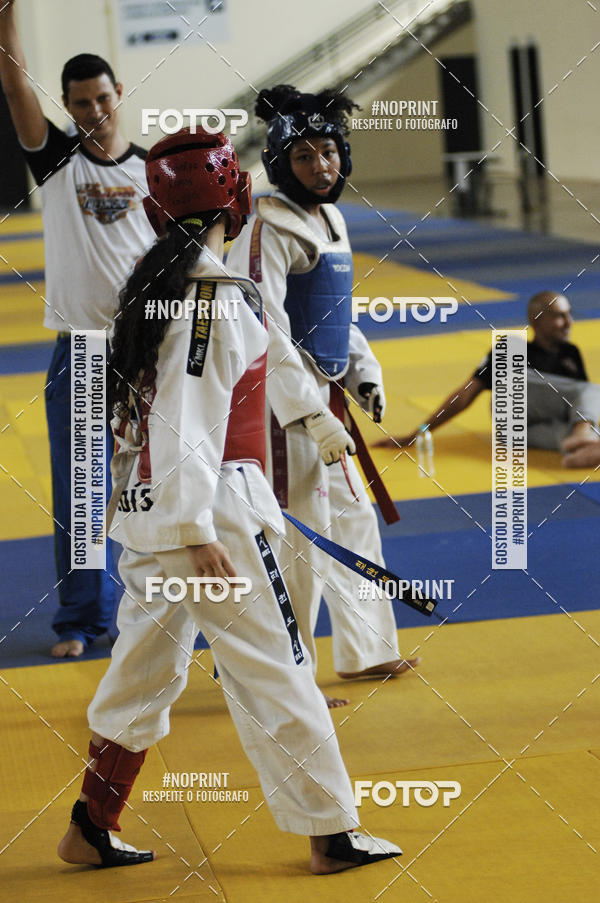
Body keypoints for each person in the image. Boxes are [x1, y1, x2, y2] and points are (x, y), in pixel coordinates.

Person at [57, 128, 401, 874]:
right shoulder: (210, 298)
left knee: (144, 673)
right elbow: (186, 416)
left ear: (158, 211)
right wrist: (195, 527)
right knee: (278, 665)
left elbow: (156, 412)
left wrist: (314, 423)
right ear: (237, 201)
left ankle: (91, 824)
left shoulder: (161, 288)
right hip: (209, 513)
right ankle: (332, 833)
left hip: (150, 515)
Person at [226, 85, 419, 708]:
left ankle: (368, 649)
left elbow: (336, 312)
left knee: (355, 522)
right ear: (281, 163)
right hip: (282, 412)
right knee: (298, 539)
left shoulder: (329, 220)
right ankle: (288, 676)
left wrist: (364, 374)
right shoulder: (268, 227)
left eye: (328, 152)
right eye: (304, 156)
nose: (320, 166)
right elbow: (265, 330)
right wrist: (310, 415)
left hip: (325, 399)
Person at [0, 0, 155, 657]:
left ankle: (156, 612)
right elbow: (15, 85)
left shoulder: (152, 170)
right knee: (83, 493)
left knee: (160, 484)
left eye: (102, 98)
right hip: (84, 352)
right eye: (81, 103)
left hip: (146, 352)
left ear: (119, 93)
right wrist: (6, 15)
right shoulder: (57, 161)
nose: (94, 111)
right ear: (66, 107)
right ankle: (83, 618)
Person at [376, 291, 600, 463]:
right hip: (510, 412)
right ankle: (583, 434)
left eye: (569, 314)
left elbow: (584, 406)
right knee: (590, 390)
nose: (569, 322)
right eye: (560, 316)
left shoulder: (570, 353)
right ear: (537, 320)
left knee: (582, 431)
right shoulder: (511, 348)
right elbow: (465, 395)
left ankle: (581, 453)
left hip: (516, 435)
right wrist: (416, 434)